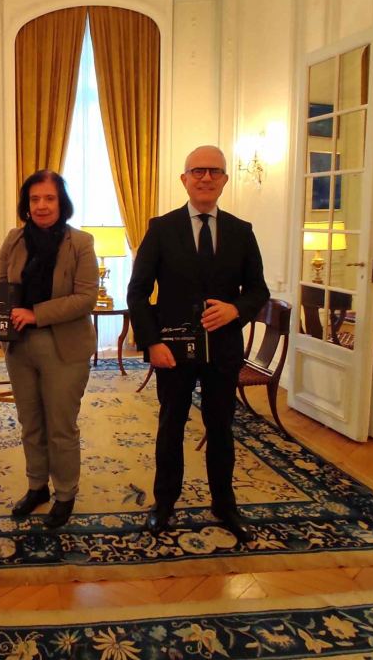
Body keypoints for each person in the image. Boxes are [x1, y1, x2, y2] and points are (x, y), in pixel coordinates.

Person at [127, 145, 269, 544]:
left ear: (224, 180)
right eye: (198, 171)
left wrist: (235, 309)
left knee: (221, 427)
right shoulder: (161, 229)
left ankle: (225, 505)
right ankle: (164, 504)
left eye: (214, 171)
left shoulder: (242, 231)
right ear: (184, 179)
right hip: (173, 350)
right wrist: (151, 343)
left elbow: (258, 290)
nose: (206, 178)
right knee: (170, 425)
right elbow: (138, 292)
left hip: (223, 350)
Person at [0, 170, 98, 529]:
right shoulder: (13, 240)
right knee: (30, 423)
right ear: (26, 204)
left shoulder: (80, 242)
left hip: (64, 346)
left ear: (61, 202)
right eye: (35, 199)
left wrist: (35, 314)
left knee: (60, 426)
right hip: (19, 347)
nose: (41, 205)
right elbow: (1, 288)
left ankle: (65, 493)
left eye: (49, 198)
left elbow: (85, 298)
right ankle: (37, 486)